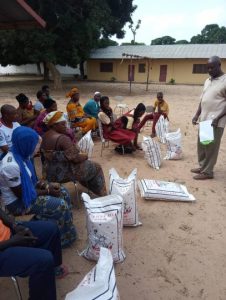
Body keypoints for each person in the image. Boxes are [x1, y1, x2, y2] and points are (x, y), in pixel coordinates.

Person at [0, 126, 76, 248]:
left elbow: (31, 181)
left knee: (63, 191)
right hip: (18, 203)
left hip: (27, 193)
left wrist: (45, 185)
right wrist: (47, 191)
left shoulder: (22, 155)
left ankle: (63, 226)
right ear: (25, 144)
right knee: (60, 205)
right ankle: (63, 239)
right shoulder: (10, 166)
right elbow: (22, 195)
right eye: (34, 145)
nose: (37, 149)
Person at [0, 207, 67, 300]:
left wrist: (14, 226)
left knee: (51, 229)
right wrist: (12, 242)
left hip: (9, 233)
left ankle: (52, 271)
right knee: (44, 260)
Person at [41, 111, 107, 196]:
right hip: (64, 173)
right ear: (54, 125)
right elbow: (76, 159)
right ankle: (102, 193)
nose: (66, 127)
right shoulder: (62, 139)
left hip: (49, 171)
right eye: (63, 124)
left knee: (86, 165)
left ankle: (85, 183)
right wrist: (85, 156)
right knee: (96, 167)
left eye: (65, 124)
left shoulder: (45, 136)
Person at [191, 55, 226, 180]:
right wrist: (196, 114)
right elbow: (203, 100)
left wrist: (217, 118)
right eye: (208, 68)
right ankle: (202, 167)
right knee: (203, 144)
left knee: (211, 147)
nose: (209, 70)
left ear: (219, 66)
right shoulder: (208, 80)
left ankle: (208, 172)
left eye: (212, 68)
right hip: (205, 119)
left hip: (216, 121)